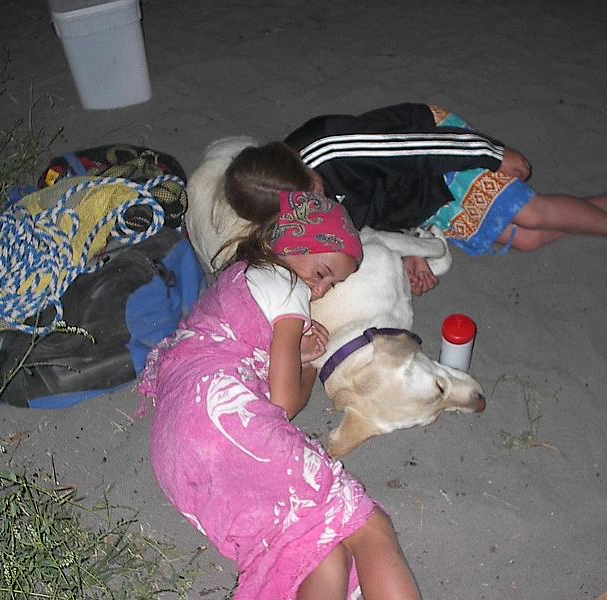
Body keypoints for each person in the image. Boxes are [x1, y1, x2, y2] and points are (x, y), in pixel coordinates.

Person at [139, 189, 421, 600]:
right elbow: (284, 402)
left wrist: (290, 352)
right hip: (223, 423)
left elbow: (241, 350)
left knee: (321, 551)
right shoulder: (287, 285)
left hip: (179, 447)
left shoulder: (238, 279)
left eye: (332, 284)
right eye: (323, 273)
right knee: (369, 526)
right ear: (292, 245)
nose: (320, 291)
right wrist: (309, 366)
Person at [284, 102, 607, 295]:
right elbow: (367, 219)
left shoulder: (326, 149)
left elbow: (409, 150)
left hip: (435, 148)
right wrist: (411, 245)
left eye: (318, 280)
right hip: (413, 199)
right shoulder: (295, 224)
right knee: (527, 238)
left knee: (533, 214)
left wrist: (492, 154)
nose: (320, 290)